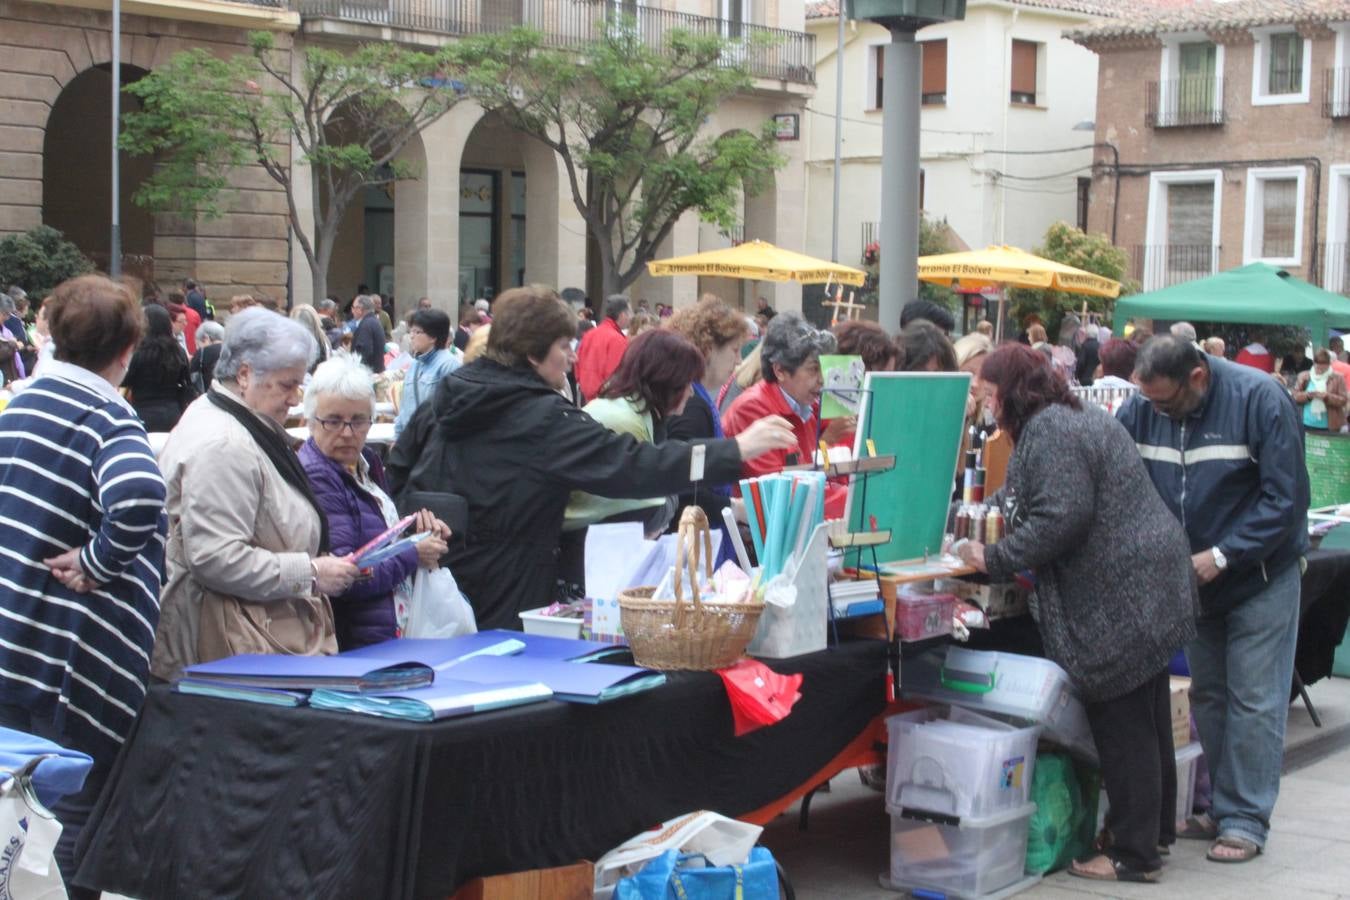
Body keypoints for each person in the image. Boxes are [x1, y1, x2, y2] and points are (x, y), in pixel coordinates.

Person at [386, 286, 795, 630]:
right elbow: (632, 465)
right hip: (511, 586)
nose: (572, 356)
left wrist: (421, 517)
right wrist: (736, 450)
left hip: (440, 580)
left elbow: (398, 470)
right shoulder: (542, 417)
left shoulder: (448, 393)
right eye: (564, 347)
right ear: (533, 355)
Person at [956, 343, 1197, 884]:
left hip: (1125, 593)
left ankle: (1134, 855)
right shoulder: (1061, 420)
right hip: (1146, 581)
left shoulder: (1052, 431)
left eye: (988, 391)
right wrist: (973, 519)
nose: (983, 401)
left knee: (1123, 719)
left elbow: (1061, 518)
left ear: (1011, 392)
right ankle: (1151, 831)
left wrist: (991, 558)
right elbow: (1020, 500)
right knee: (1147, 711)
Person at [0, 275, 166, 897]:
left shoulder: (23, 402)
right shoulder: (109, 417)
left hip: (13, 639)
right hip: (71, 663)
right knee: (66, 823)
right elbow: (140, 496)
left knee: (14, 819)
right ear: (126, 350)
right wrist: (97, 564)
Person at [1118, 335, 1308, 864]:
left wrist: (1223, 555)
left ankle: (1245, 817)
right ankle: (1222, 809)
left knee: (1254, 698)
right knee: (1210, 697)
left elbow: (1286, 499)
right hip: (1193, 580)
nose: (1154, 412)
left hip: (1259, 575)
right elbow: (1117, 469)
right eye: (1148, 401)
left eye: (1165, 402)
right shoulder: (1141, 407)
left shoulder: (1260, 400)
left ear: (1198, 377)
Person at [152, 309, 360, 680]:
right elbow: (216, 558)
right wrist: (311, 572)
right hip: (234, 646)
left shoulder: (227, 420)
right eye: (286, 385)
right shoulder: (224, 443)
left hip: (247, 640)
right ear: (245, 374)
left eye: (299, 384)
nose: (295, 398)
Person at [300, 357, 450, 650]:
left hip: (381, 629)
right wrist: (413, 553)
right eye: (333, 420)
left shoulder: (365, 461)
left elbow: (375, 540)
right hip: (360, 639)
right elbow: (347, 578)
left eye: (358, 420)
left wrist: (414, 532)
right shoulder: (319, 475)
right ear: (310, 420)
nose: (347, 432)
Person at [562, 329, 707, 537]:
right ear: (668, 381)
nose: (691, 392)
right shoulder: (625, 421)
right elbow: (653, 513)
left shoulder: (634, 411)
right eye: (687, 383)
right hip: (591, 550)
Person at [722, 313, 848, 519]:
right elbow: (776, 496)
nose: (822, 380)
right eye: (814, 370)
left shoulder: (807, 405)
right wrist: (849, 500)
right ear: (779, 370)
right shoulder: (753, 409)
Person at [666, 296, 752, 527]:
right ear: (708, 349)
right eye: (734, 351)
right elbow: (687, 491)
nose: (739, 361)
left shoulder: (694, 396)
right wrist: (736, 509)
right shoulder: (692, 404)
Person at [123, 304, 195, 432]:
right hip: (173, 412)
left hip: (143, 411)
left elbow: (126, 381)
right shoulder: (178, 351)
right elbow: (186, 382)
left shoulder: (139, 351)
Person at [395, 307, 461, 437]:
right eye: (411, 331)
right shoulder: (415, 364)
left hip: (432, 443)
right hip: (410, 441)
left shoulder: (449, 365)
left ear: (433, 337)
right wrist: (397, 438)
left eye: (417, 332)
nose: (411, 336)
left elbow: (452, 411)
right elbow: (404, 409)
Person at [575, 295, 631, 401]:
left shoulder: (589, 334)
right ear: (623, 315)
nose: (631, 317)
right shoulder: (617, 340)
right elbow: (616, 375)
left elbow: (577, 364)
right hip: (605, 399)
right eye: (629, 313)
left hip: (585, 397)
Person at [1293, 348, 1347, 432]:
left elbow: (1343, 400)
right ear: (1314, 364)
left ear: (1329, 365)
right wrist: (1308, 395)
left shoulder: (1338, 378)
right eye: (1318, 368)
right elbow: (1295, 396)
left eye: (1323, 369)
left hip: (1330, 426)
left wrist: (1326, 397)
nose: (1320, 371)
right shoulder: (1303, 376)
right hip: (1307, 423)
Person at [349, 294, 386, 374]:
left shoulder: (366, 325)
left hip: (368, 374)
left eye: (353, 308)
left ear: (360, 309)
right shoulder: (373, 321)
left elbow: (363, 352)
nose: (352, 311)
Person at [190, 320, 225, 393]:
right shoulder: (233, 349)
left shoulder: (203, 352)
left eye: (198, 344)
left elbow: (190, 377)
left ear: (206, 338)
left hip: (210, 396)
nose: (198, 348)